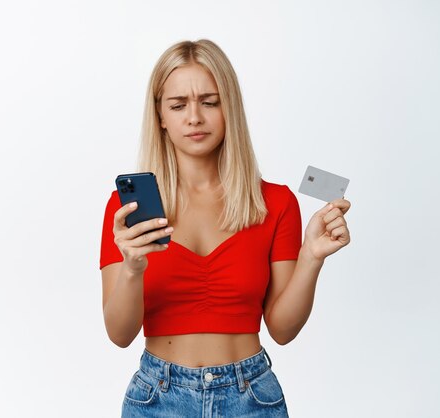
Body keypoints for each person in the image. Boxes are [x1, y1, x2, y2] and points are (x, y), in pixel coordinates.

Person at [99, 39, 351, 418]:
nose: (194, 117)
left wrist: (311, 257)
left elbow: (282, 330)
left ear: (229, 107)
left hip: (251, 397)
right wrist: (134, 267)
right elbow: (120, 335)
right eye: (178, 105)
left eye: (210, 102)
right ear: (161, 117)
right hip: (157, 398)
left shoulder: (276, 202)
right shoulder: (127, 210)